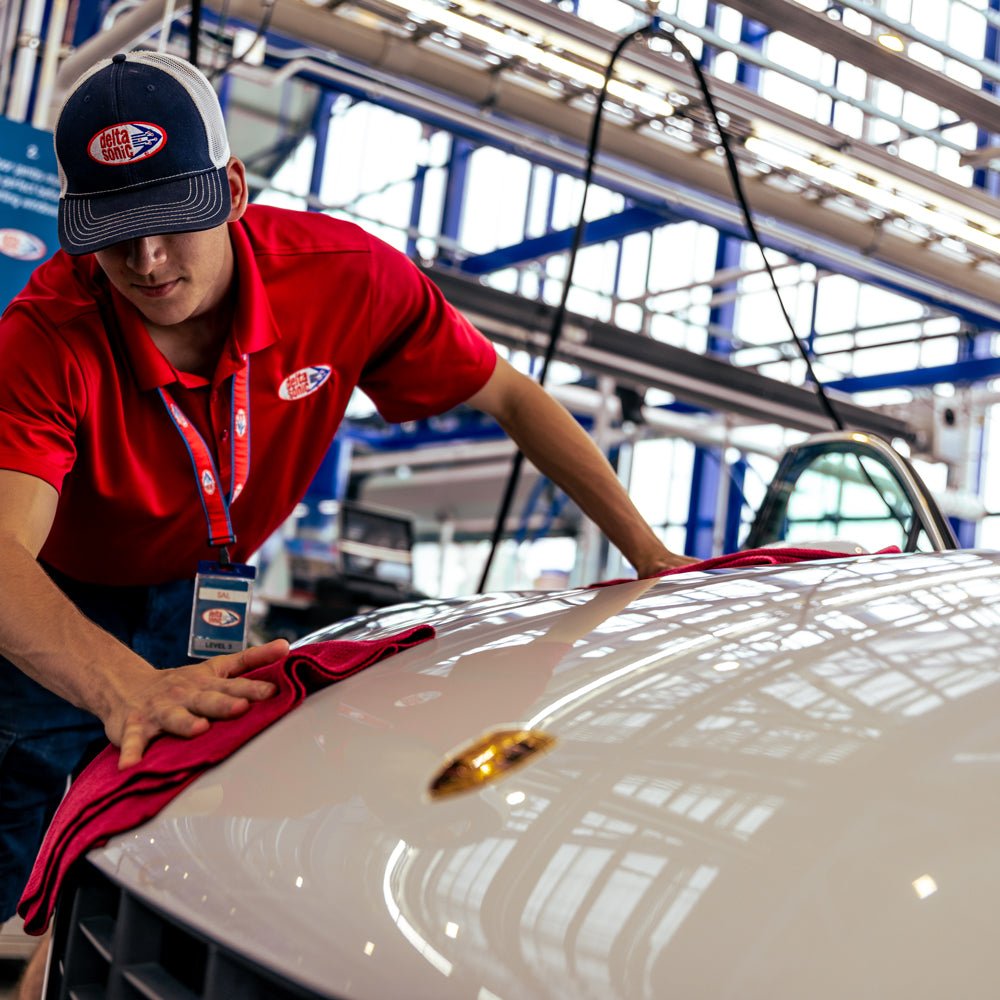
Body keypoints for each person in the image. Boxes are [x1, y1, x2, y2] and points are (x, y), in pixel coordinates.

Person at [0, 50, 690, 995]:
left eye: (170, 220)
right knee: (14, 820)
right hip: (52, 599)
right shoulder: (46, 335)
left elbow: (512, 396)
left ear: (233, 190)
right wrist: (121, 689)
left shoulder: (344, 279)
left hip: (191, 588)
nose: (147, 262)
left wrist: (649, 551)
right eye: (116, 233)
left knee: (131, 832)